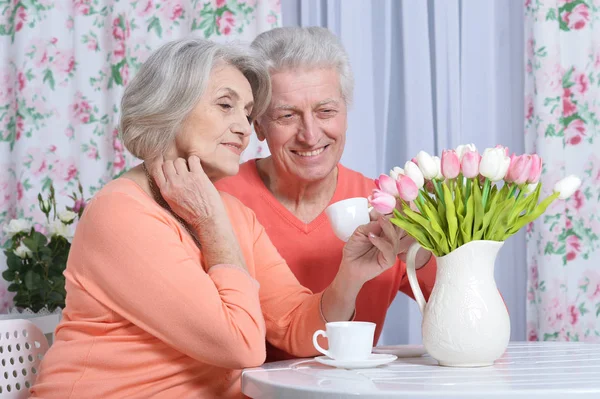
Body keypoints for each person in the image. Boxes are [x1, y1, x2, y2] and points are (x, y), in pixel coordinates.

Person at [30, 38, 401, 398]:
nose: (243, 128)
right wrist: (213, 225)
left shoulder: (232, 213)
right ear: (170, 106)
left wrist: (350, 277)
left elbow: (295, 327)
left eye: (247, 112)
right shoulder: (121, 212)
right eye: (226, 105)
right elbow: (241, 346)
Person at [215, 26, 437, 361]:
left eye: (326, 111)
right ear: (257, 125)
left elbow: (475, 329)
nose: (309, 134)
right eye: (287, 115)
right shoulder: (217, 200)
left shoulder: (388, 206)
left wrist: (420, 254)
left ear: (346, 114)